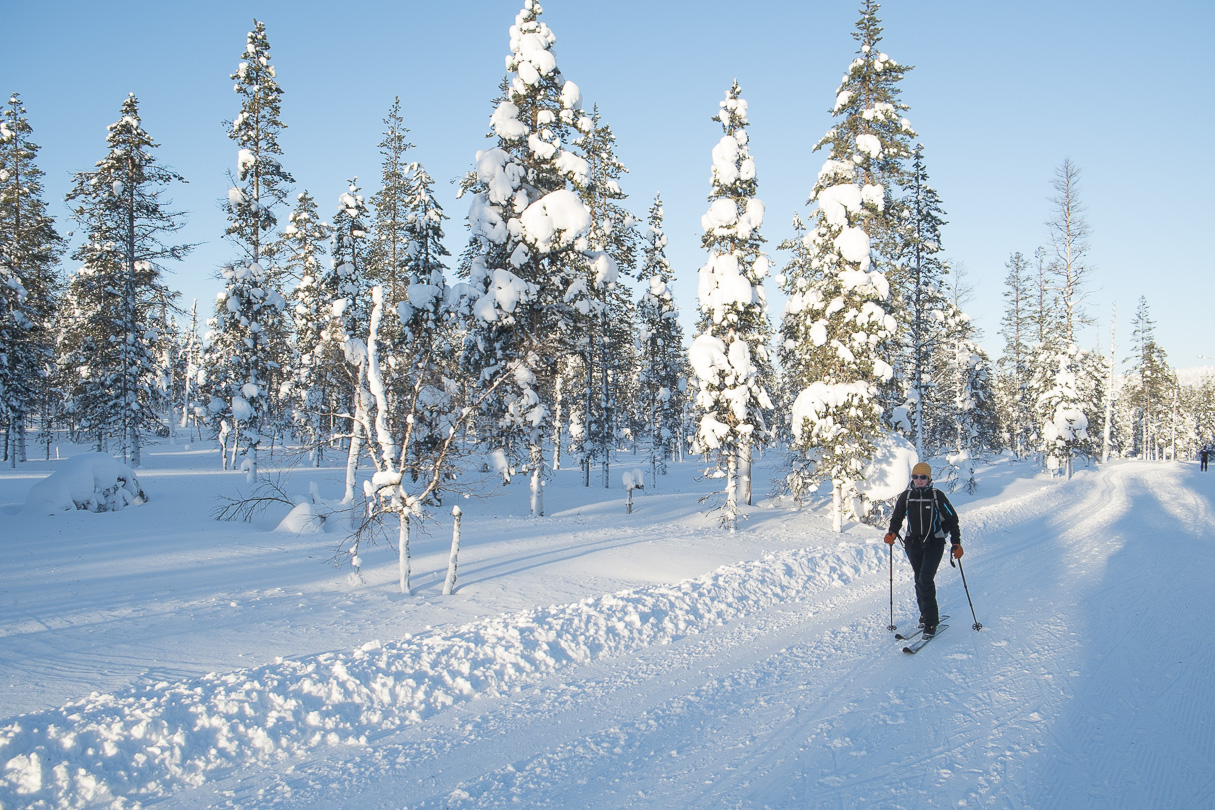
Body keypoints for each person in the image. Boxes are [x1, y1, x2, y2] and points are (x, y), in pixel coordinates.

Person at [884, 462, 962, 638]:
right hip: (913, 544)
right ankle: (924, 614)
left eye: (923, 477)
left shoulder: (937, 496)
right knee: (919, 579)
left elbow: (952, 520)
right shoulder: (907, 496)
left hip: (935, 543)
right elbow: (897, 518)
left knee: (925, 579)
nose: (919, 480)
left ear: (929, 478)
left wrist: (956, 543)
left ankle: (931, 621)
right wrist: (892, 533)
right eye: (915, 477)